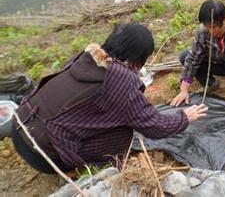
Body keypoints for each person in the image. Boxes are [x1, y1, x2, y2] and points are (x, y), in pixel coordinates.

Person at [12, 23, 207, 174]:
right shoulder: (121, 80)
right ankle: (78, 168)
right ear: (139, 56)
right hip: (45, 155)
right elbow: (154, 126)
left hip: (20, 125)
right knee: (123, 132)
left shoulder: (85, 58)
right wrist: (184, 117)